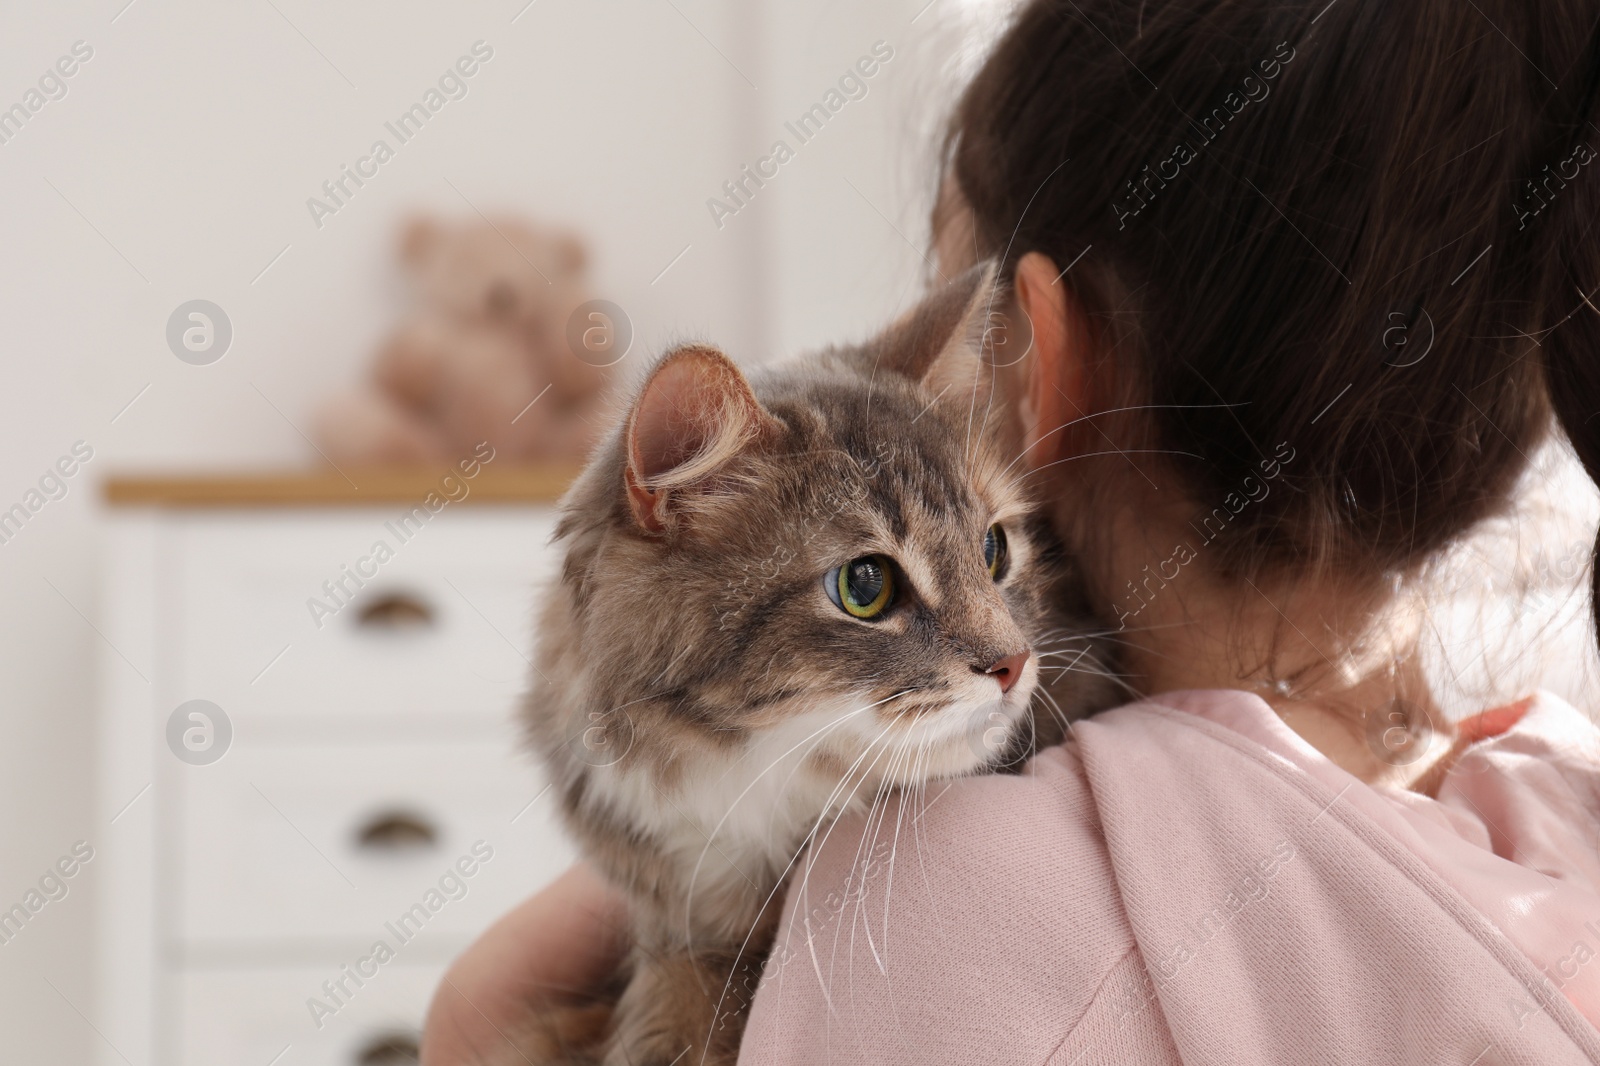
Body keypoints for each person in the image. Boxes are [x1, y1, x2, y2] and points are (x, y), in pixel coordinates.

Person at [423, 0, 1600, 1060]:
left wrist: (472, 1023)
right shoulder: (1552, 790)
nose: (1006, 653)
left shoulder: (960, 903)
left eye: (990, 549)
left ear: (1042, 356)